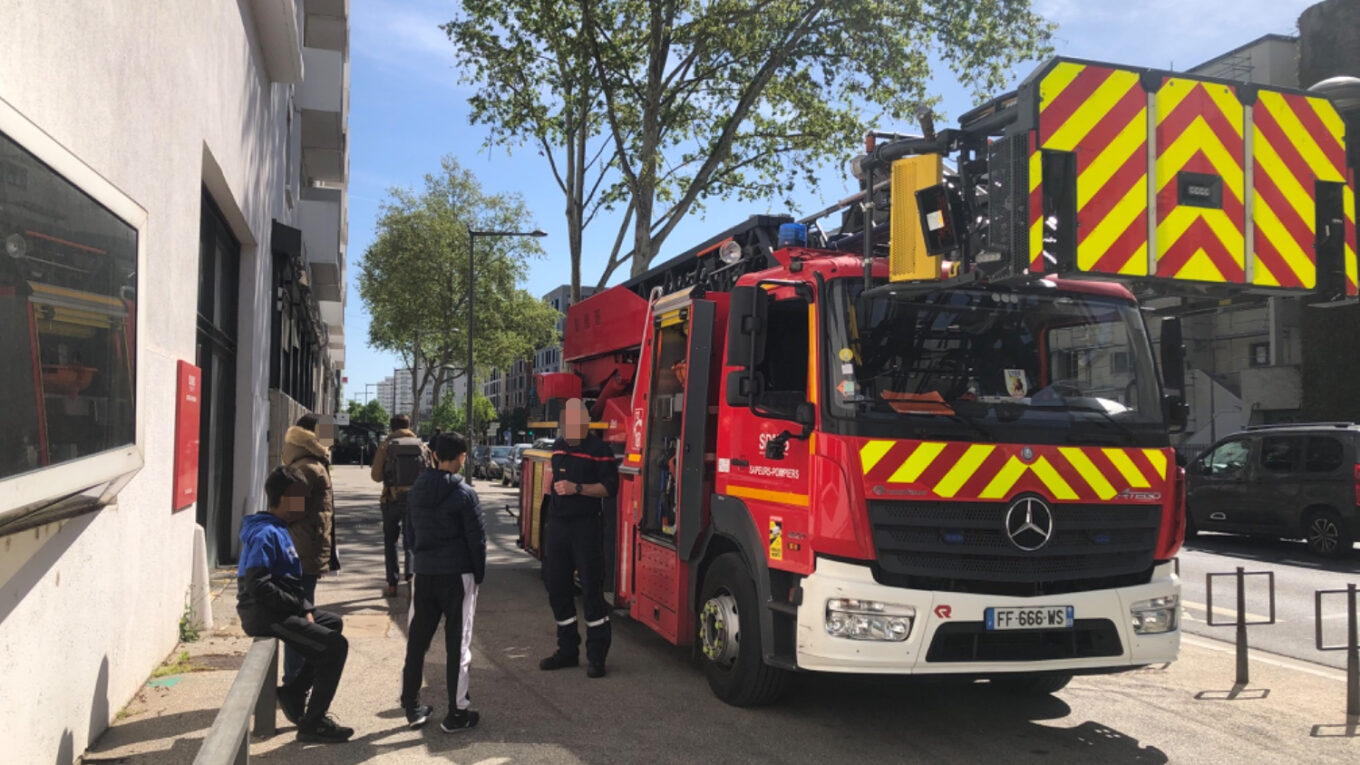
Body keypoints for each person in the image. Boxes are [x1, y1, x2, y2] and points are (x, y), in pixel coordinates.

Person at [237, 466, 353, 743]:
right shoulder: (265, 533)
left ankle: (293, 691)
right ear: (286, 498)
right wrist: (296, 609)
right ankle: (313, 723)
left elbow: (288, 581)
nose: (304, 505)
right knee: (335, 647)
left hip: (278, 609)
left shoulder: (279, 529)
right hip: (264, 614)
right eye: (299, 498)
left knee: (332, 624)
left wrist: (305, 609)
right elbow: (259, 585)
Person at [401, 433, 486, 733]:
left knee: (417, 643)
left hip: (423, 574)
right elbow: (477, 541)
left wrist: (418, 560)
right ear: (461, 457)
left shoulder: (416, 491)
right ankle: (457, 712)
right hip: (457, 575)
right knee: (458, 644)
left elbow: (409, 535)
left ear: (435, 456)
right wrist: (478, 575)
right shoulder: (465, 494)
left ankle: (411, 706)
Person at [540, 398, 618, 678]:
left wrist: (578, 488)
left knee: (591, 591)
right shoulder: (559, 445)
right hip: (559, 526)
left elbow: (610, 489)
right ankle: (567, 650)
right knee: (557, 587)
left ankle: (597, 657)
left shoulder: (600, 450)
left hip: (586, 527)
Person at [281, 413, 337, 695]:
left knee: (302, 620)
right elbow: (288, 511)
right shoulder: (309, 467)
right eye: (326, 431)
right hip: (300, 556)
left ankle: (295, 682)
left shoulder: (310, 463)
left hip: (303, 552)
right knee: (301, 624)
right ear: (313, 435)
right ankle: (294, 685)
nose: (331, 437)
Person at [370, 414, 435, 597]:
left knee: (390, 542)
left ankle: (392, 584)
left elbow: (376, 476)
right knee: (411, 542)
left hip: (391, 499)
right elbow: (430, 472)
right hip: (415, 501)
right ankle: (411, 578)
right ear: (410, 426)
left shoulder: (386, 446)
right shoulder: (422, 446)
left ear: (391, 428)